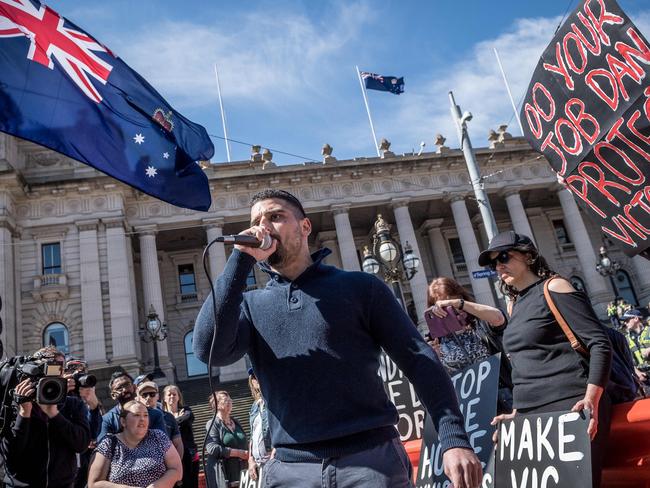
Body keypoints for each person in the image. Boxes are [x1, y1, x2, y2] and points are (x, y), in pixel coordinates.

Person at [194, 189, 481, 488]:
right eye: (256, 221)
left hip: (371, 463)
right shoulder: (252, 306)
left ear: (305, 227)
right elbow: (206, 349)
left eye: (275, 216)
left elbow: (420, 360)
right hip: (290, 470)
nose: (263, 227)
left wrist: (453, 438)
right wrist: (240, 261)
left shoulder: (360, 288)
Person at [482, 231, 612, 488]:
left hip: (570, 405)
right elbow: (524, 365)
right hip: (530, 417)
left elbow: (599, 342)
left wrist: (592, 398)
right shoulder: (513, 305)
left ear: (528, 256)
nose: (499, 265)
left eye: (504, 256)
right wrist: (517, 413)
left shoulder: (554, 287)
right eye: (493, 262)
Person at [2, 346, 91, 487]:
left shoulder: (73, 404)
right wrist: (24, 414)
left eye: (61, 370)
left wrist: (54, 414)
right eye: (49, 369)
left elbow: (81, 445)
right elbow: (10, 454)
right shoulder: (16, 403)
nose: (55, 376)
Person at [426, 276, 513, 414]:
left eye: (448, 302)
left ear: (458, 297)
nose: (447, 309)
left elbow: (499, 318)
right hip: (467, 407)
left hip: (500, 398)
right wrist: (433, 358)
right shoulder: (435, 340)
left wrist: (458, 304)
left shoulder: (480, 322)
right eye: (439, 305)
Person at [88, 400, 182, 488]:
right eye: (136, 415)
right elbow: (94, 483)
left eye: (145, 415)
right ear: (123, 422)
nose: (142, 419)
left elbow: (176, 470)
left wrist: (155, 486)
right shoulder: (109, 443)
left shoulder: (158, 437)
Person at [97, 371, 167, 443]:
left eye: (127, 385)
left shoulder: (155, 415)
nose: (125, 390)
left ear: (135, 387)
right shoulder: (106, 420)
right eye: (119, 388)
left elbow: (163, 444)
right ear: (113, 395)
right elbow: (104, 448)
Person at [66, 359, 104, 488]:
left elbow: (93, 434)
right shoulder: (56, 396)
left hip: (83, 467)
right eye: (72, 370)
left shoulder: (87, 401)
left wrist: (93, 405)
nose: (78, 373)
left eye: (82, 371)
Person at [205, 390, 248, 488]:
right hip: (226, 475)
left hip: (243, 474)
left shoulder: (236, 422)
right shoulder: (212, 424)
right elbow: (212, 448)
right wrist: (238, 453)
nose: (229, 402)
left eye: (230, 400)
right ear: (217, 405)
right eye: (225, 400)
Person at [162, 384, 199, 488]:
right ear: (164, 398)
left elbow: (188, 418)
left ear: (179, 397)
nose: (172, 397)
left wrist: (172, 422)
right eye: (169, 394)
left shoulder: (186, 410)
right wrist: (177, 420)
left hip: (190, 456)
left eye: (174, 394)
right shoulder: (162, 416)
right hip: (171, 457)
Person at [136, 381, 184, 460]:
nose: (148, 397)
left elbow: (178, 443)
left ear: (157, 396)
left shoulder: (169, 417)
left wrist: (176, 465)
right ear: (139, 397)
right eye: (144, 395)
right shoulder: (133, 418)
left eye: (152, 394)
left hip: (167, 463)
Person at [246, 368, 272, 481]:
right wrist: (250, 460)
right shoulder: (255, 405)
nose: (256, 379)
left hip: (273, 460)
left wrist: (274, 454)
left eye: (258, 375)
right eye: (253, 377)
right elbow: (252, 435)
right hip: (258, 464)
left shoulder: (273, 401)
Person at [620, 309, 650, 388]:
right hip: (644, 376)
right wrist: (638, 373)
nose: (625, 323)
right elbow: (627, 359)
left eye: (627, 320)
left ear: (636, 319)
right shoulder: (626, 339)